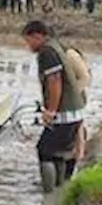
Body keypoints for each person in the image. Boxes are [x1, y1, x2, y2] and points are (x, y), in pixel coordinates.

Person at [21, 21, 86, 192]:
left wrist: (51, 111)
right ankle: (61, 188)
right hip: (75, 111)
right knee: (60, 152)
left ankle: (49, 194)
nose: (28, 46)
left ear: (37, 36)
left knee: (45, 151)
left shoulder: (46, 53)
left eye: (28, 41)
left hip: (64, 113)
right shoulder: (55, 46)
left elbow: (54, 81)